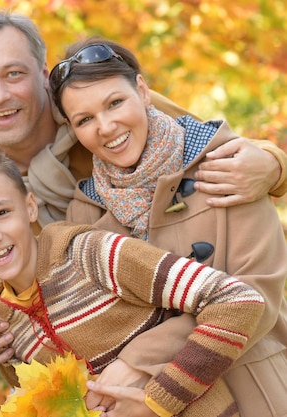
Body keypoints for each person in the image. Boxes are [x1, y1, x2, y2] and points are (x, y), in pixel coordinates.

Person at [0, 9, 287, 391]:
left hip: (220, 345)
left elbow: (204, 145)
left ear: (43, 74)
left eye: (13, 73)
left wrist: (274, 165)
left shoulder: (109, 112)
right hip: (101, 386)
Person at [48, 36, 287, 417]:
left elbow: (258, 297)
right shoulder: (85, 213)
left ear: (142, 91)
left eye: (115, 103)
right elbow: (101, 325)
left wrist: (137, 362)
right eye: (85, 120)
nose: (106, 127)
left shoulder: (227, 166)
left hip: (255, 392)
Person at [0, 149, 265, 417]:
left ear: (30, 207)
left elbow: (235, 300)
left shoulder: (91, 254)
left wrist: (157, 401)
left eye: (2, 213)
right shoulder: (2, 327)